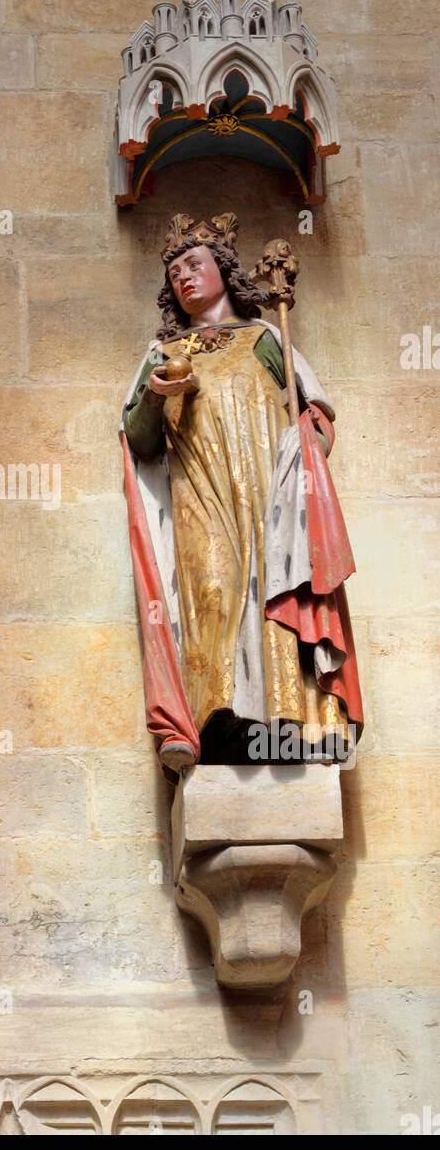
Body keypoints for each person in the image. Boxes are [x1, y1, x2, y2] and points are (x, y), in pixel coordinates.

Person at [121, 213, 362, 775]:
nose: (184, 277)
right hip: (200, 494)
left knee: (278, 596)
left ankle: (293, 723)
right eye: (175, 271)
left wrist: (309, 446)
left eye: (195, 264)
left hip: (269, 493)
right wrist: (156, 396)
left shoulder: (266, 338)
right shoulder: (161, 355)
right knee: (212, 593)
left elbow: (315, 414)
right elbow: (139, 438)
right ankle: (216, 721)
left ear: (224, 272)